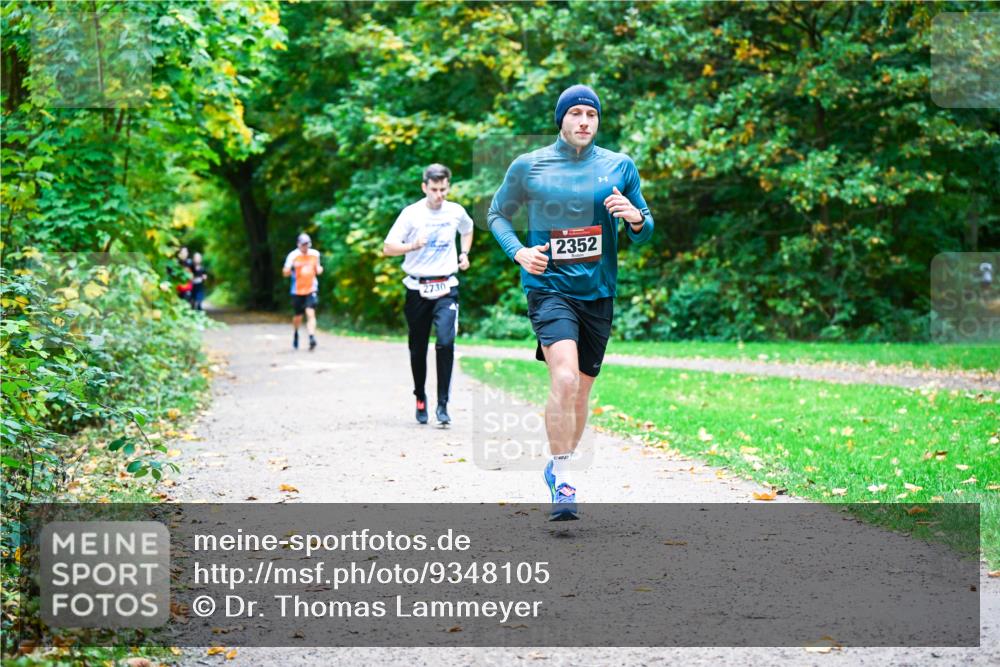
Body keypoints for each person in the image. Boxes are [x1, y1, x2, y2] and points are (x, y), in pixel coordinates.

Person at [487, 84, 654, 519]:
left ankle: (557, 465)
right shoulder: (529, 166)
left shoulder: (619, 166)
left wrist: (634, 217)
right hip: (549, 288)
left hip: (598, 292)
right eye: (576, 113)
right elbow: (497, 214)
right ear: (561, 119)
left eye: (591, 115)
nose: (584, 121)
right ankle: (563, 478)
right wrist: (519, 252)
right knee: (563, 379)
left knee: (580, 391)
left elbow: (646, 223)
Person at [383, 164, 474, 426]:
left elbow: (467, 229)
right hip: (416, 288)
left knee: (445, 342)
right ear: (425, 187)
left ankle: (443, 405)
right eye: (434, 190)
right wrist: (412, 245)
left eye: (443, 189)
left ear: (448, 186)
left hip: (446, 286)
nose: (439, 195)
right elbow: (388, 248)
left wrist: (464, 253)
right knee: (417, 347)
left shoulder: (455, 211)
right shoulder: (411, 214)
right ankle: (420, 395)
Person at [282, 233, 323, 351]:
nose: (305, 247)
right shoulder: (293, 256)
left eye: (307, 245)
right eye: (303, 245)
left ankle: (311, 338)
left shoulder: (314, 254)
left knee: (311, 313)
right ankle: (296, 332)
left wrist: (319, 269)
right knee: (298, 316)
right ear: (298, 245)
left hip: (311, 288)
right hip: (297, 290)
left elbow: (318, 269)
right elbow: (285, 272)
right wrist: (291, 269)